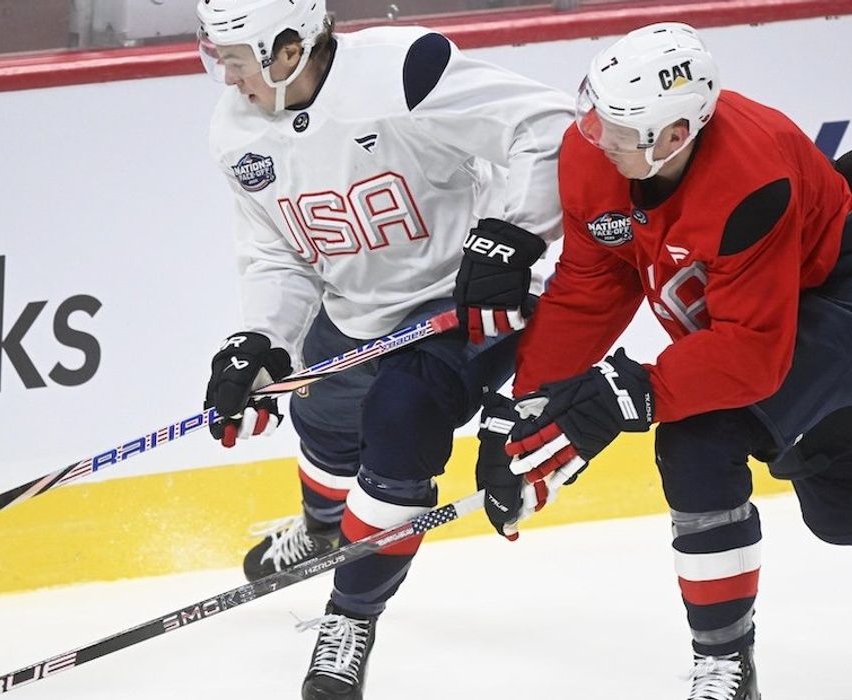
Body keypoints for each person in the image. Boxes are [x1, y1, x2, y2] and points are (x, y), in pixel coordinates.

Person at [475, 22, 852, 700]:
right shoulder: (594, 153)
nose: (591, 135)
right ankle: (728, 667)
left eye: (615, 125)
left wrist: (624, 393)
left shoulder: (749, 175)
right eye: (595, 112)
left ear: (673, 135)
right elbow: (592, 285)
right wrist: (527, 411)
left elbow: (751, 354)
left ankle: (724, 672)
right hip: (773, 316)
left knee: (697, 440)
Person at [194, 0, 572, 695]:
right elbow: (278, 252)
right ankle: (320, 526)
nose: (226, 79)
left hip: (453, 303)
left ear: (286, 52)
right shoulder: (236, 127)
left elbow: (547, 128)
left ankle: (350, 616)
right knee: (324, 428)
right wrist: (262, 340)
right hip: (351, 308)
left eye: (237, 61)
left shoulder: (403, 72)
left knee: (397, 426)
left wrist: (512, 237)